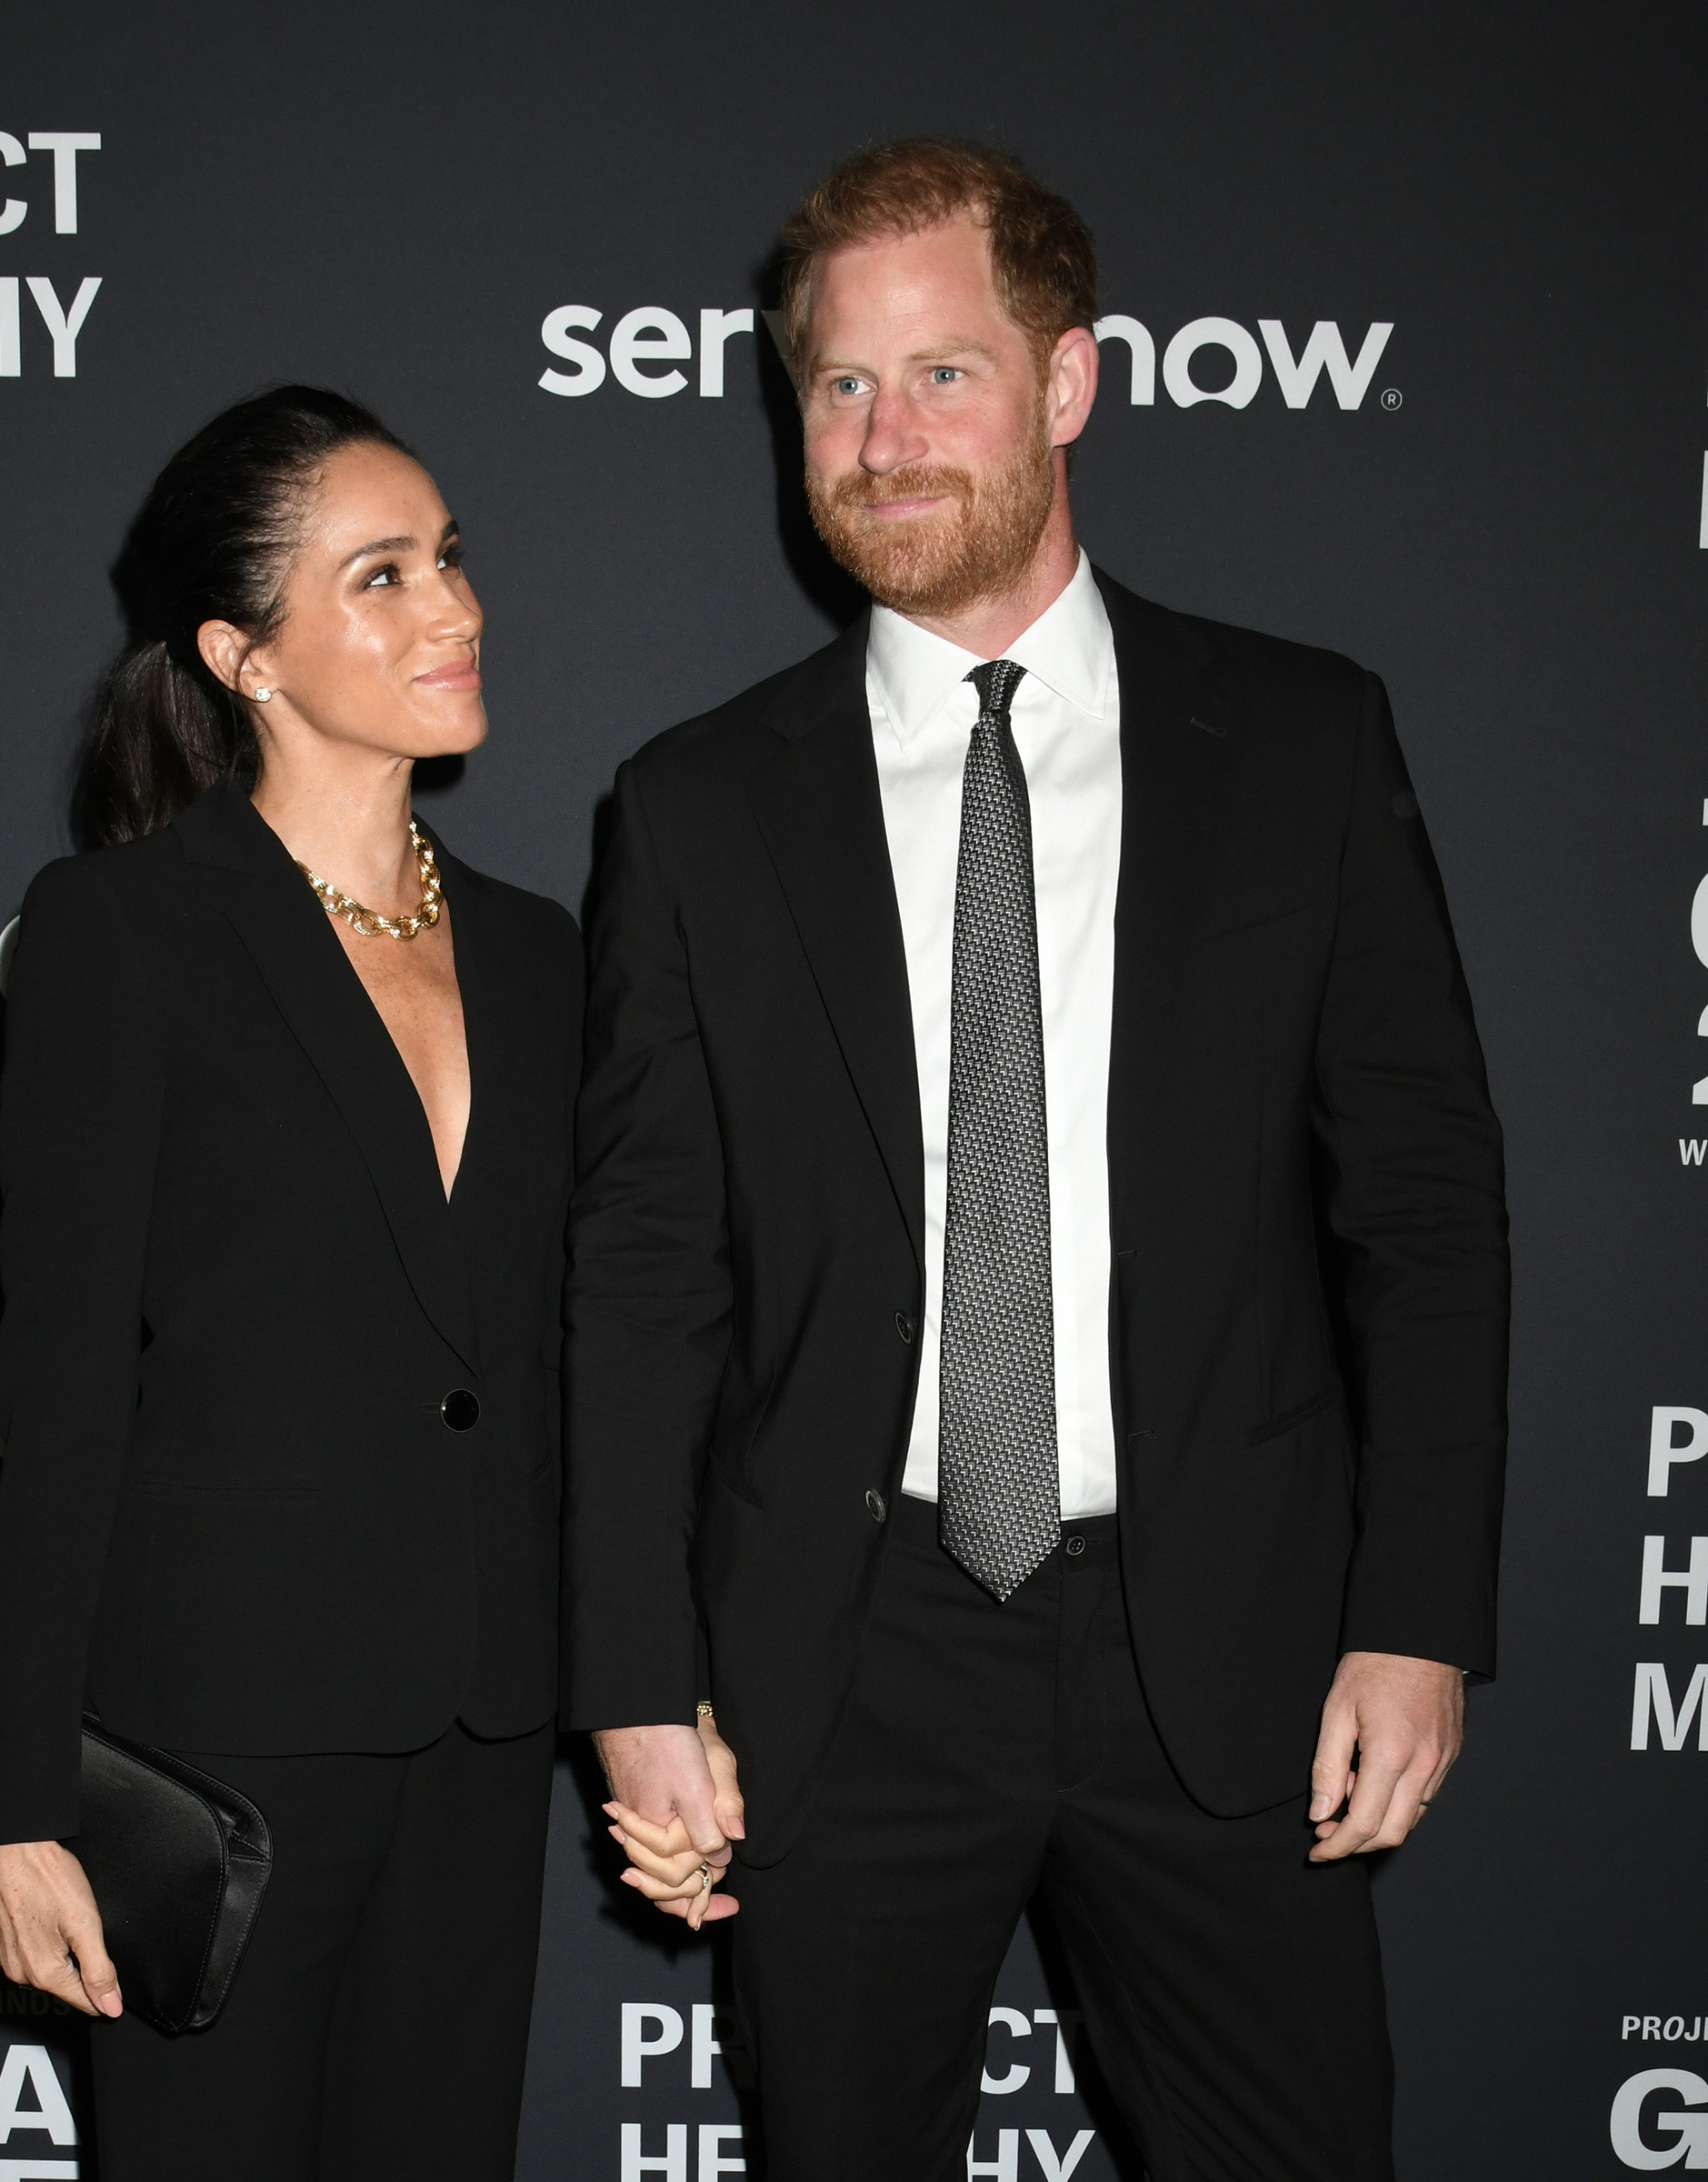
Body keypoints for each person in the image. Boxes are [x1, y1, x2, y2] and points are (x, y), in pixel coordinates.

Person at [564, 140, 1508, 2181]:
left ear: (1070, 384)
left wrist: (1414, 1617)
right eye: (837, 387)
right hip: (845, 1655)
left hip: (1236, 1652)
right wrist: (638, 1683)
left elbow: (1420, 1215)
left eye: (943, 375)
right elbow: (646, 1274)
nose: (884, 440)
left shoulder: (1306, 741)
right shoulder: (700, 804)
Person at [0, 385, 581, 2182]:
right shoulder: (124, 934)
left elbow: (565, 1357)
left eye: (448, 558)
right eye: (381, 576)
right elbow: (58, 1388)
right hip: (218, 1743)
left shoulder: (545, 955)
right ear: (245, 655)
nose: (451, 607)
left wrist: (642, 1682)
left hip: (479, 1725)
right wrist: (8, 1806)